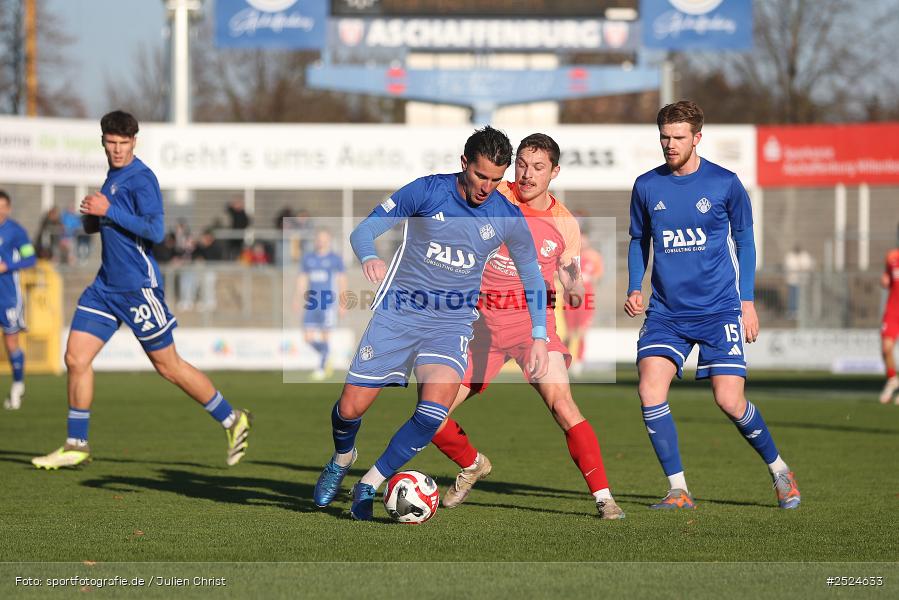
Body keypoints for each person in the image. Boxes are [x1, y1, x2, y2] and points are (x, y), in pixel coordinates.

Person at [311, 126, 550, 521]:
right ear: (464, 164)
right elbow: (364, 229)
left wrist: (539, 335)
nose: (486, 187)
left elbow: (532, 278)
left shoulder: (506, 215)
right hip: (398, 314)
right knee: (350, 409)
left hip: (451, 324)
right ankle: (341, 458)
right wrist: (369, 255)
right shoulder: (426, 191)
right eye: (480, 176)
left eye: (496, 179)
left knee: (433, 411)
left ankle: (368, 483)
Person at [31, 110, 252, 470]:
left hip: (137, 288)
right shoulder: (112, 176)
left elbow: (155, 231)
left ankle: (232, 419)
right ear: (103, 141)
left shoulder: (141, 178)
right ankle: (76, 444)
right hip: (105, 287)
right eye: (111, 143)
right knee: (75, 358)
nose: (117, 149)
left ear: (134, 142)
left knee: (169, 367)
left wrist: (108, 210)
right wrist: (92, 216)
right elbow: (107, 224)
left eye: (123, 143)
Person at [427, 134, 624, 519]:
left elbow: (573, 279)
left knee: (563, 406)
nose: (528, 174)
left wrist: (575, 286)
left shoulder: (564, 224)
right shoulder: (494, 195)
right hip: (480, 330)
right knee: (430, 415)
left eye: (538, 168)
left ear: (554, 171)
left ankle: (604, 497)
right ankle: (473, 464)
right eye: (522, 165)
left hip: (533, 331)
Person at [623, 101, 800, 510]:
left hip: (720, 309)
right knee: (649, 390)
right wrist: (636, 286)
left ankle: (779, 471)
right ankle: (678, 489)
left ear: (697, 138)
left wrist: (747, 303)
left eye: (678, 138)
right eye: (664, 137)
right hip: (666, 312)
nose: (669, 145)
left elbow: (746, 242)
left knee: (729, 400)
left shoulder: (725, 183)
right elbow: (638, 240)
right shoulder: (647, 186)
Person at [0, 190, 37, 410]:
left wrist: (7, 266)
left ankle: (17, 385)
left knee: (11, 342)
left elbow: (30, 258)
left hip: (7, 297)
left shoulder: (16, 231)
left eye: (3, 206)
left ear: (9, 208)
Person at [294, 229, 346, 380]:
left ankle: (322, 367)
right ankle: (327, 353)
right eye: (319, 238)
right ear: (315, 240)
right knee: (308, 338)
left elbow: (342, 281)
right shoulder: (308, 258)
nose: (321, 241)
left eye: (324, 238)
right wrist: (297, 298)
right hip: (311, 302)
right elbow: (302, 279)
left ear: (329, 240)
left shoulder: (335, 259)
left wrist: (343, 302)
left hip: (327, 302)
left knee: (325, 336)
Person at [563, 224, 603, 377]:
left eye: (584, 238)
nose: (583, 242)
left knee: (582, 332)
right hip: (570, 297)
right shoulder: (570, 255)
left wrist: (589, 279)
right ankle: (564, 360)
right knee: (570, 333)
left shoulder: (594, 256)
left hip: (586, 298)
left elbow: (598, 276)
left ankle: (579, 361)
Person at [879, 234, 899, 404]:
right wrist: (884, 281)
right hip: (893, 311)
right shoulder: (892, 256)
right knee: (886, 349)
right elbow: (887, 279)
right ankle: (892, 380)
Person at [784, 244, 814, 319]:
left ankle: (802, 311)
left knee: (803, 297)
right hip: (793, 281)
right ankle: (793, 311)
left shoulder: (804, 255)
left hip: (803, 281)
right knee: (793, 296)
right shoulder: (790, 256)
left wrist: (801, 267)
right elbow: (790, 266)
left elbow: (808, 265)